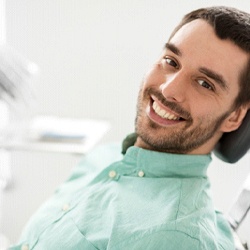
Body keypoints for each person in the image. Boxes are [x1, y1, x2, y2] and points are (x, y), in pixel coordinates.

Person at [10, 6, 250, 250]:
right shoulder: (104, 157)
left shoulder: (177, 237)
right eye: (171, 61)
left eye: (204, 84)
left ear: (235, 116)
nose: (169, 90)